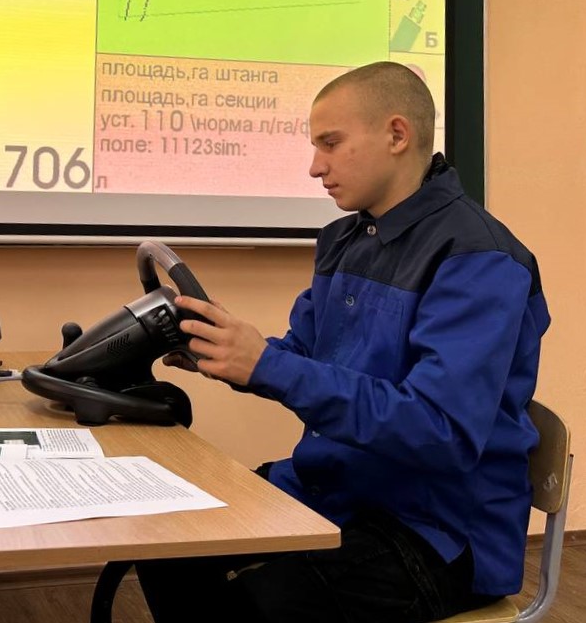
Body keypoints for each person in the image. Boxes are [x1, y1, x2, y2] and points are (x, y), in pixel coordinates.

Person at [136, 61, 550, 623]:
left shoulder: (480, 259)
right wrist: (229, 355)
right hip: (338, 488)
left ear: (397, 135)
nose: (315, 167)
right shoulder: (344, 240)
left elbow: (440, 430)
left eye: (330, 143)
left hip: (437, 530)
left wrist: (265, 365)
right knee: (170, 541)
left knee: (261, 603)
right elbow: (304, 358)